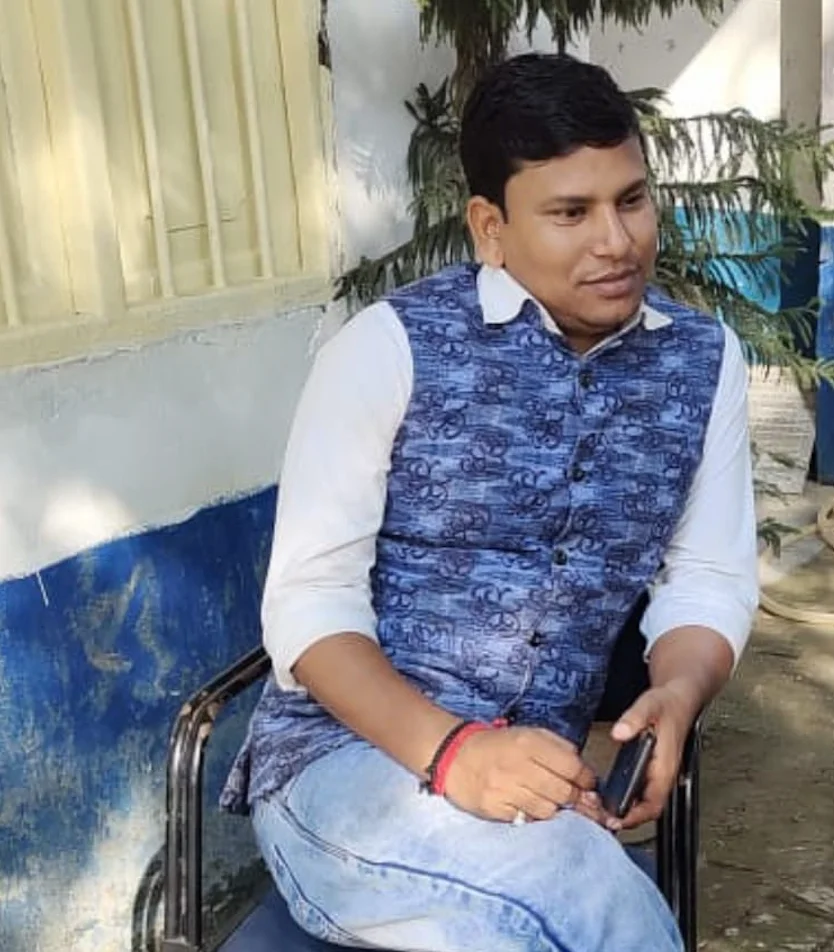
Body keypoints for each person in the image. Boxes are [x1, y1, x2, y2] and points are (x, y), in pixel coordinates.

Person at [222, 52, 758, 951]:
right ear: (489, 228)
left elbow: (707, 577)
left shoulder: (703, 363)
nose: (617, 241)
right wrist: (451, 752)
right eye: (570, 213)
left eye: (631, 199)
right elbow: (309, 606)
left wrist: (677, 691)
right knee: (596, 901)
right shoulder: (388, 349)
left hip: (534, 788)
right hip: (344, 768)